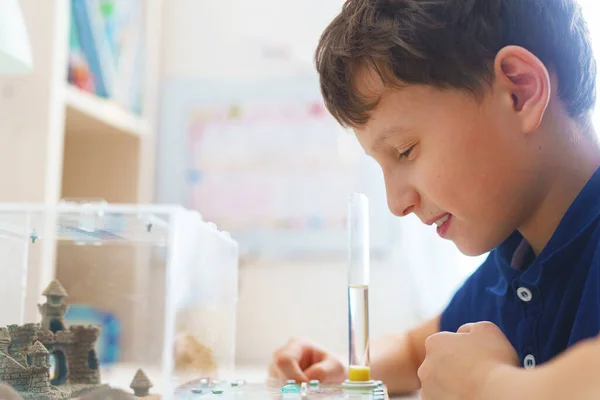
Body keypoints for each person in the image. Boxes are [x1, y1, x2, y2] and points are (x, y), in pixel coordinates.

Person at [268, 0, 600, 398]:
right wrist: (345, 368)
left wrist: (484, 384)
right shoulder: (514, 262)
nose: (397, 203)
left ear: (519, 92)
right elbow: (414, 353)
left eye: (405, 150)